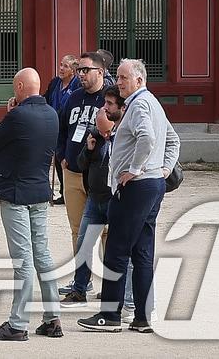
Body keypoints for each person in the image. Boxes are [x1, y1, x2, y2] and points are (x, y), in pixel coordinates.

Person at [78, 58, 180, 334]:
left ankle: (110, 315)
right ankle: (143, 316)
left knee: (117, 250)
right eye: (119, 77)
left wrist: (135, 169)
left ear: (139, 80)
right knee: (142, 251)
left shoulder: (139, 105)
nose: (119, 82)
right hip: (151, 185)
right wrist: (163, 168)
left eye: (123, 78)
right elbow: (173, 140)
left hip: (136, 186)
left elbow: (147, 138)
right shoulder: (153, 103)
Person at [0, 68, 62, 341]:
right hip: (40, 190)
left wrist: (8, 114)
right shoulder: (52, 114)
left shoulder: (17, 115)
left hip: (16, 192)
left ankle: (18, 323)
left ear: (19, 86)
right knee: (42, 254)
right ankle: (52, 318)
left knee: (23, 260)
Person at [57, 51, 114, 298]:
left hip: (99, 175)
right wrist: (61, 155)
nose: (80, 75)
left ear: (100, 72)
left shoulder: (110, 100)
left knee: (106, 230)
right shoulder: (74, 97)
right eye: (79, 70)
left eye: (85, 70)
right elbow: (61, 129)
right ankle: (82, 281)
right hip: (72, 172)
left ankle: (112, 284)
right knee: (77, 229)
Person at [66, 92, 119, 306]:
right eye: (100, 130)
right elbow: (80, 164)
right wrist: (88, 150)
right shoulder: (94, 136)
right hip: (94, 198)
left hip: (115, 199)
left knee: (115, 246)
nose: (103, 135)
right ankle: (79, 288)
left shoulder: (122, 138)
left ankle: (113, 291)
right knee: (83, 243)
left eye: (106, 131)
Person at [44, 56, 78, 204]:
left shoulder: (77, 85)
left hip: (68, 127)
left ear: (73, 71)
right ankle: (62, 192)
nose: (61, 68)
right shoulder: (55, 83)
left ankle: (70, 192)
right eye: (61, 65)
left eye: (65, 66)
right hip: (52, 126)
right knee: (57, 159)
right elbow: (46, 98)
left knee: (66, 158)